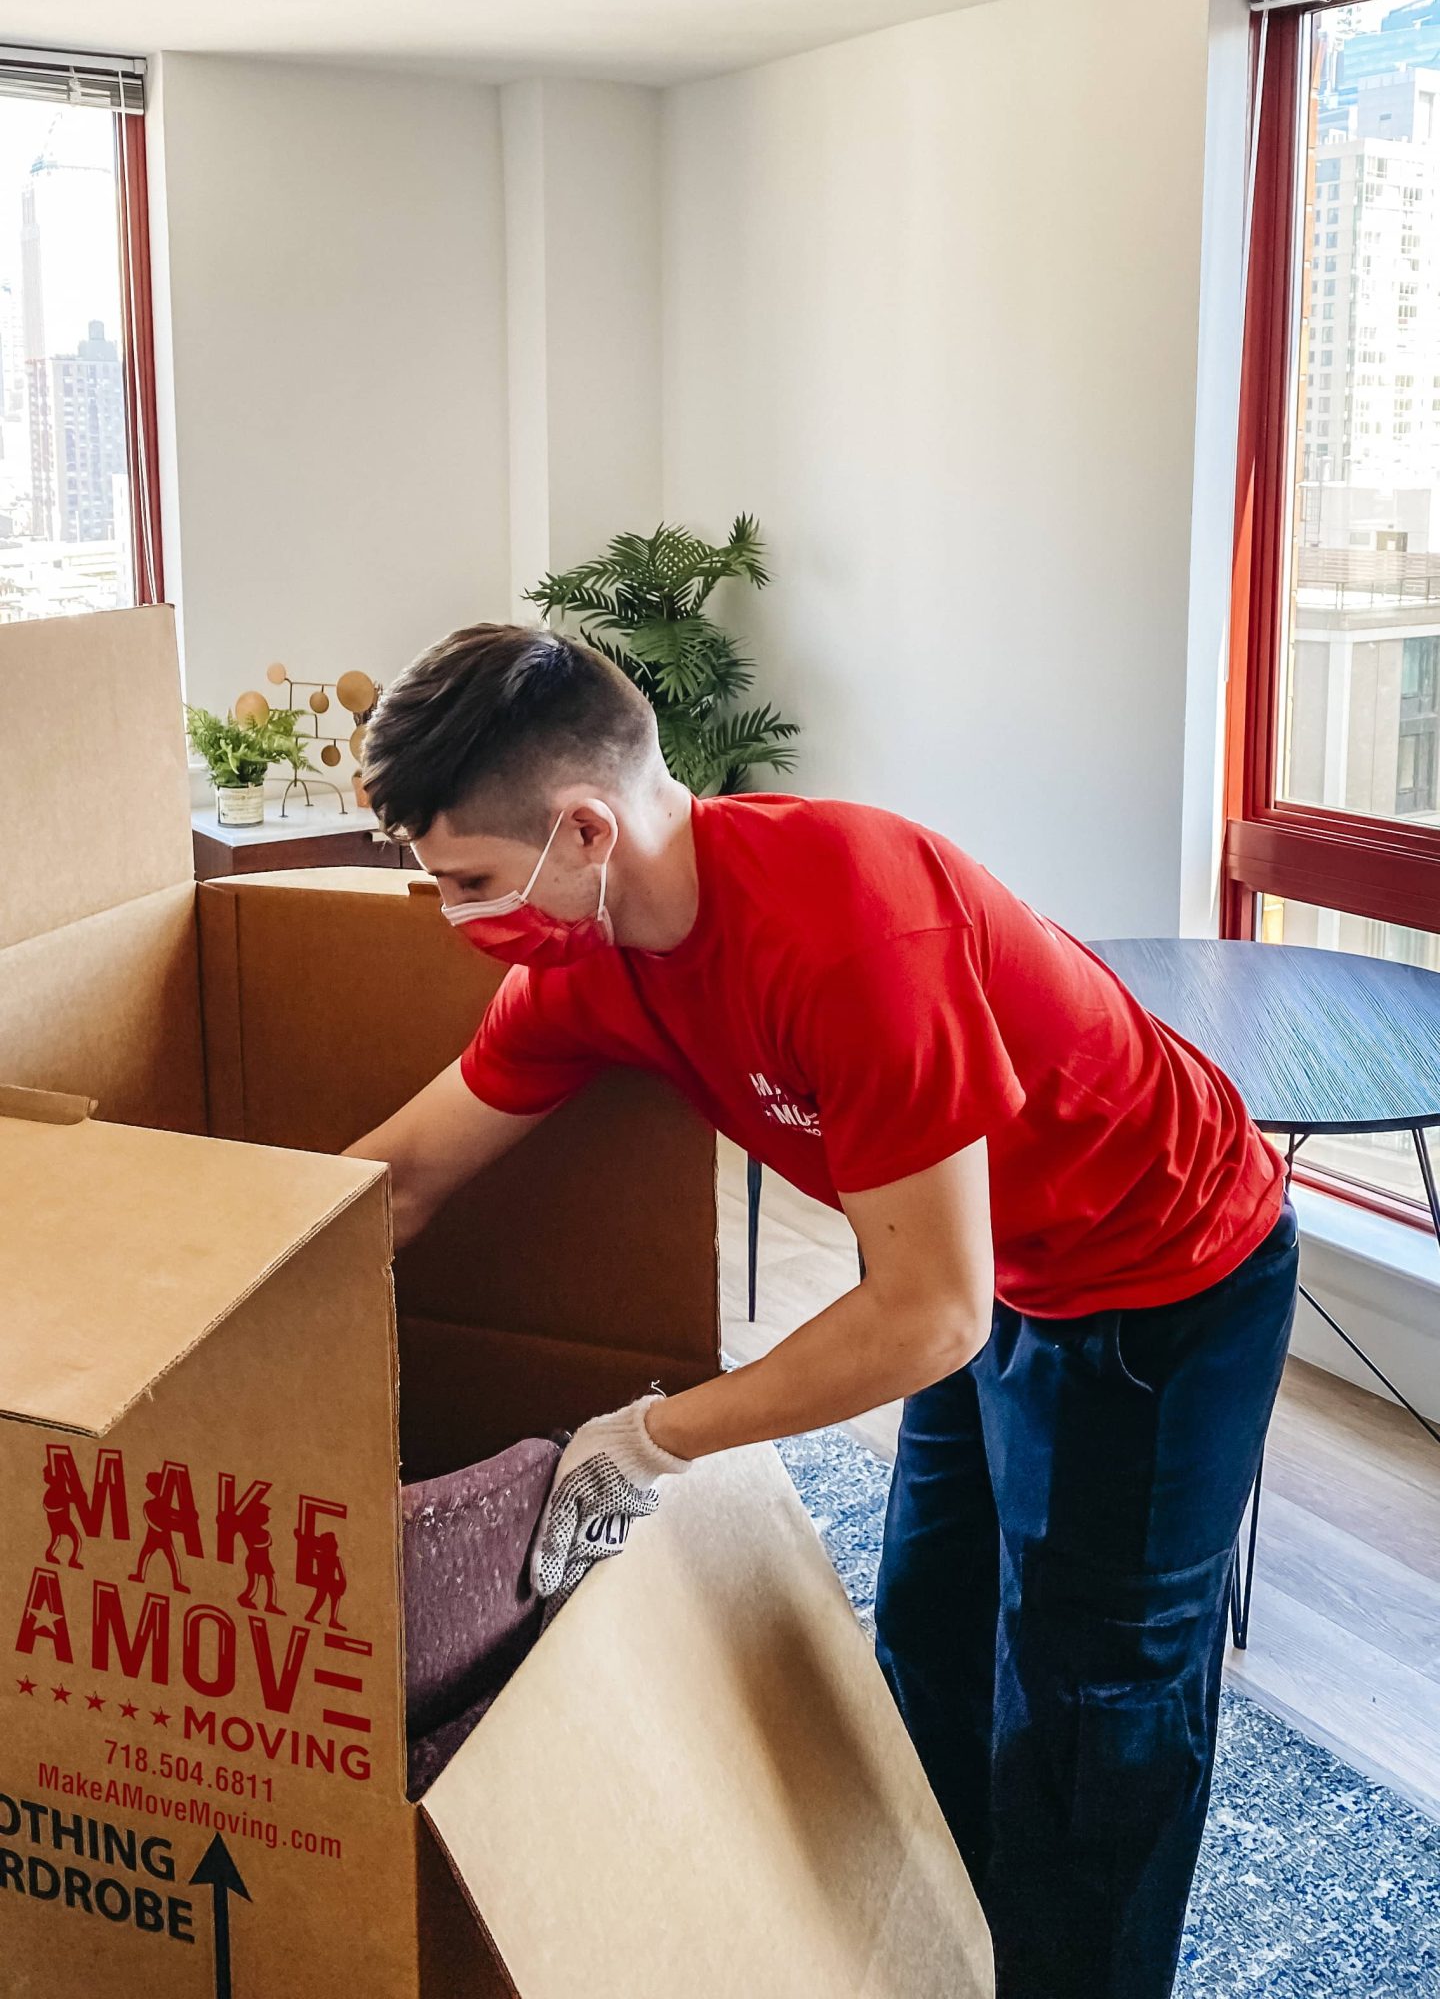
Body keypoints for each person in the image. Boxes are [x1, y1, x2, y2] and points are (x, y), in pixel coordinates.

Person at [346, 624, 1297, 1999]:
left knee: (1096, 1707)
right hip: (982, 1266)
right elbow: (406, 1181)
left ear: (583, 828)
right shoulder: (585, 956)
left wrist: (656, 1437)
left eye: (472, 882)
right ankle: (950, 1954)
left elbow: (927, 1318)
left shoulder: (848, 923)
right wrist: (214, 1273)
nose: (461, 919)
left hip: (1165, 1274)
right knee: (929, 1635)